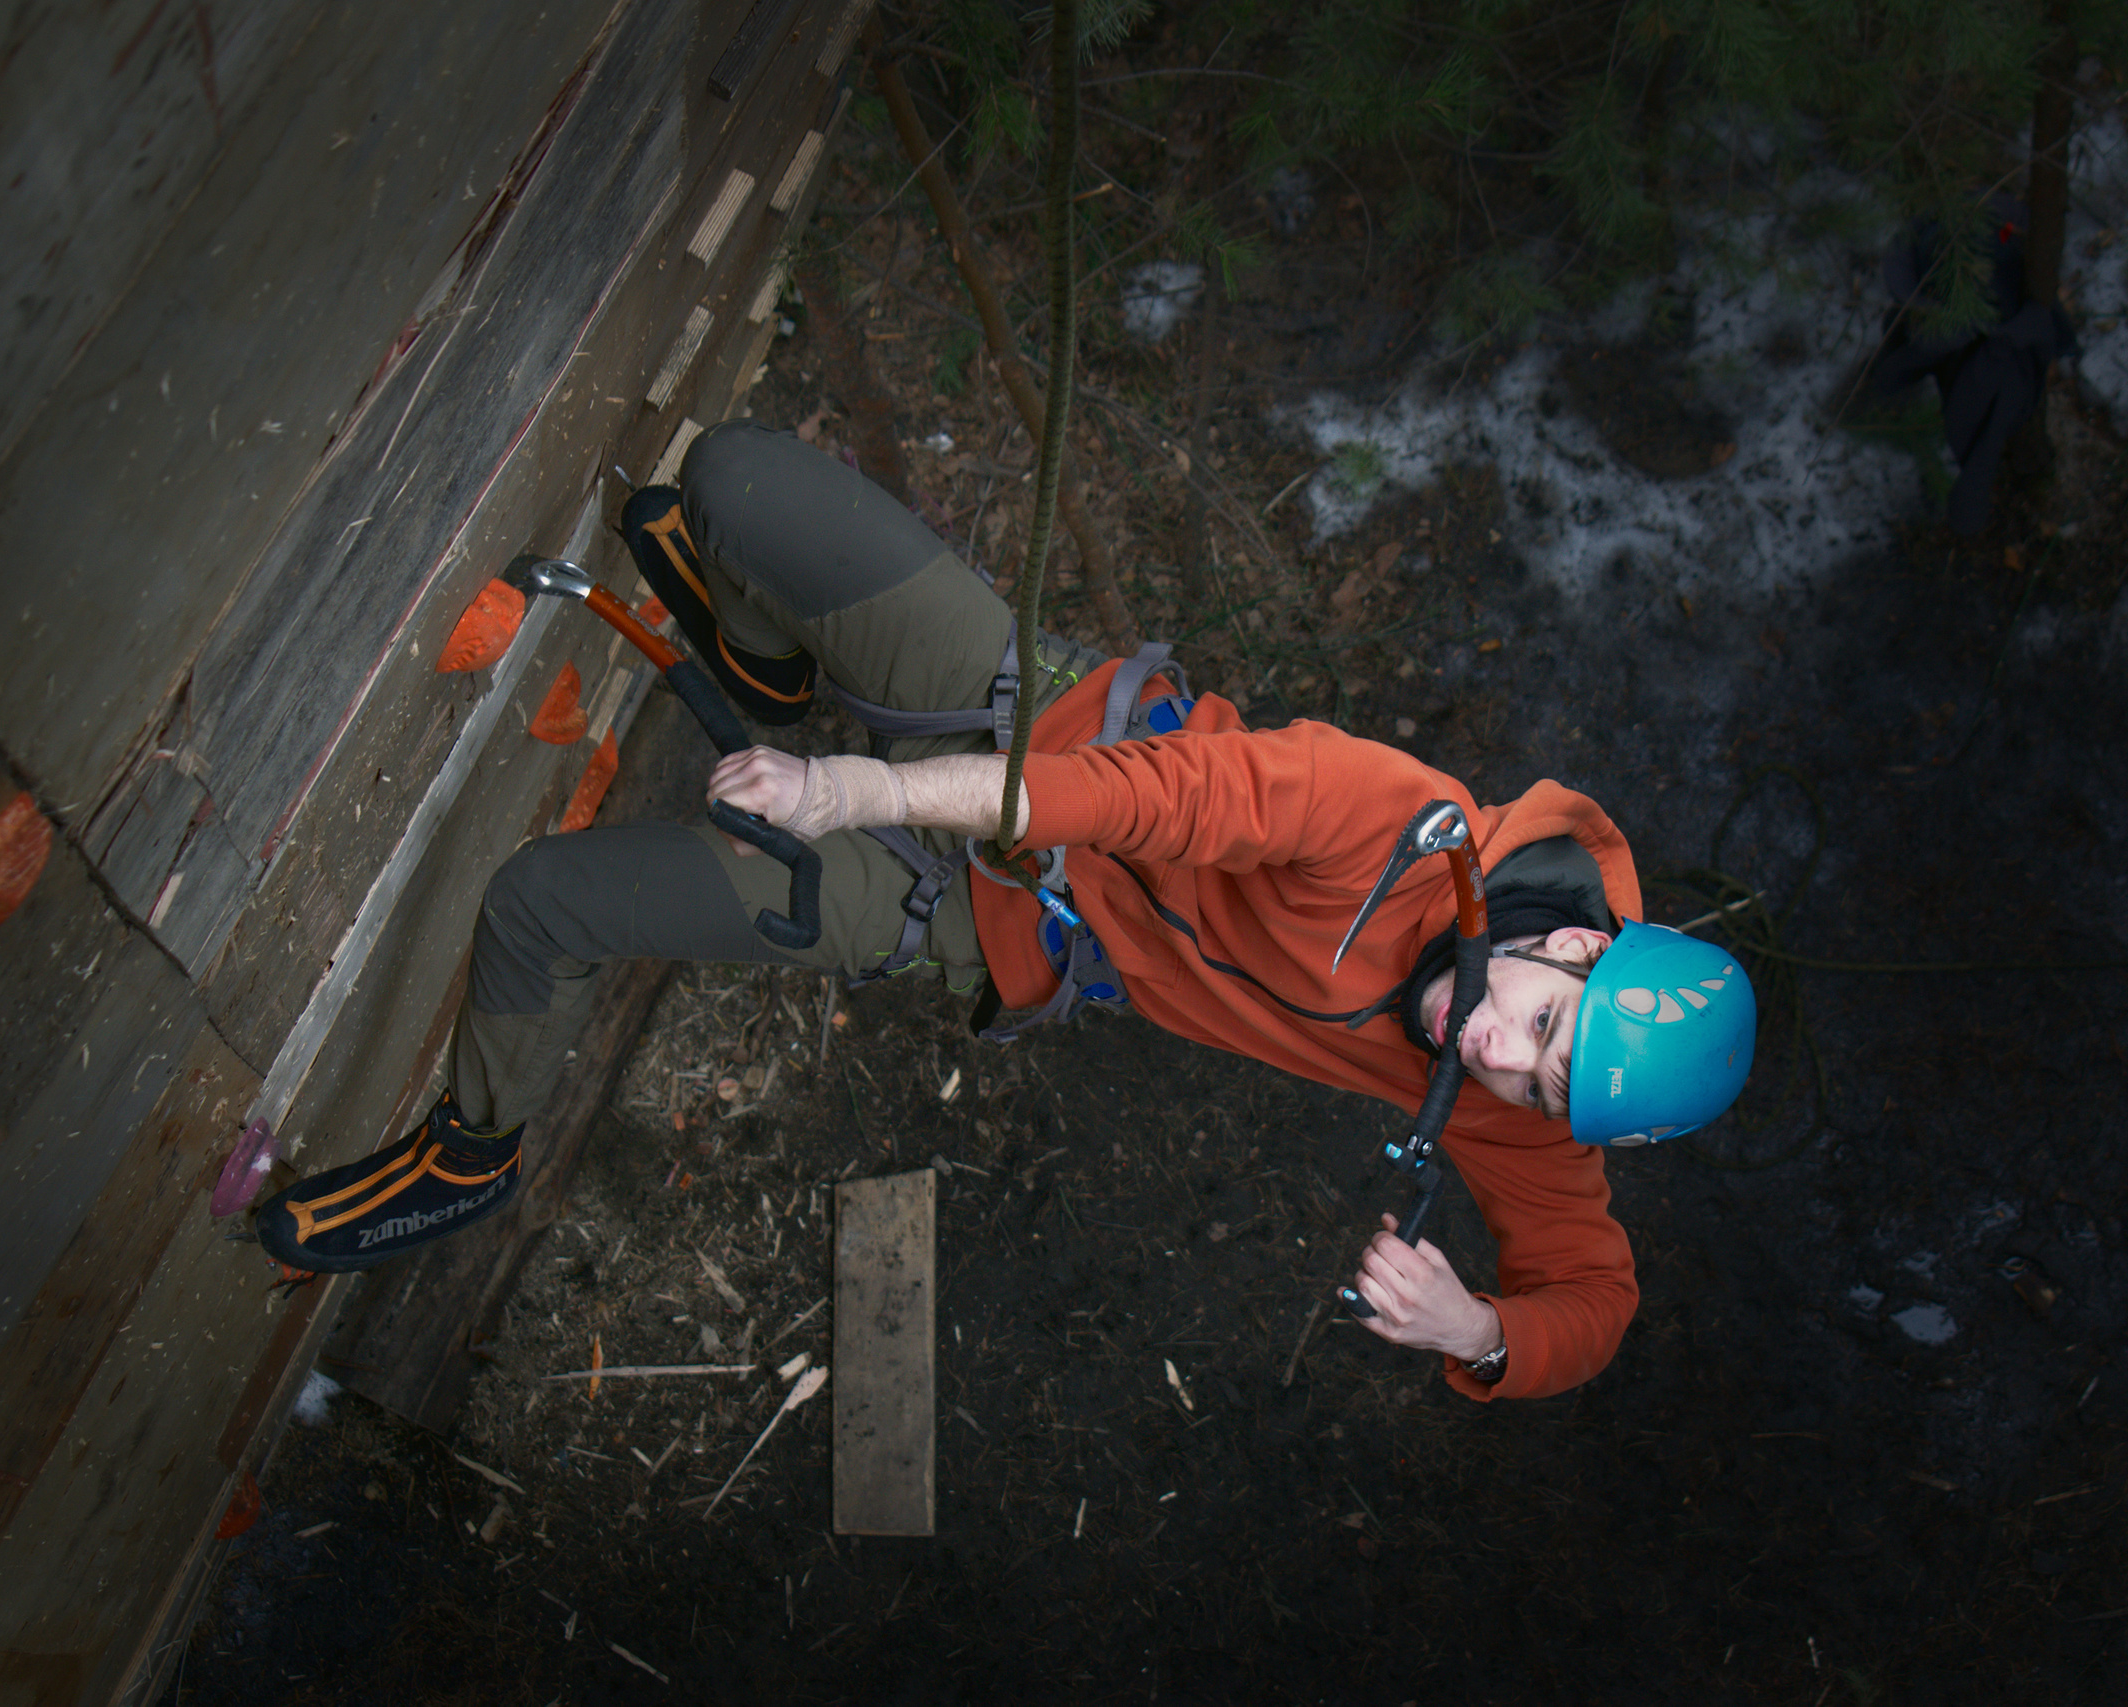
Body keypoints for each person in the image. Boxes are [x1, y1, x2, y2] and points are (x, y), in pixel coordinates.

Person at [260, 420, 1756, 1403]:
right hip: (1037, 718)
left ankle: (472, 1149)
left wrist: (1480, 1332)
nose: (1491, 1050)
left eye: (1537, 1080)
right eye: (1540, 1021)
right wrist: (864, 787)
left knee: (539, 904)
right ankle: (775, 672)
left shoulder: (1516, 1112)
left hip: (986, 906)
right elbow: (1154, 801)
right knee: (728, 485)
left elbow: (1594, 1297)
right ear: (1570, 943)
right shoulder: (1396, 818)